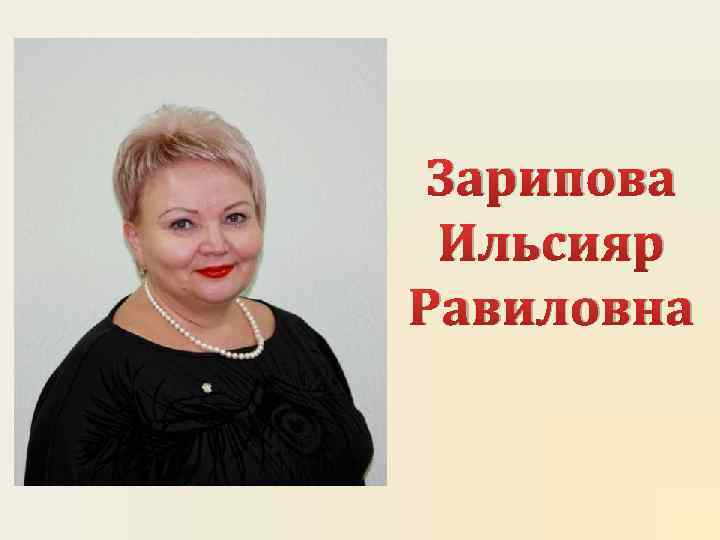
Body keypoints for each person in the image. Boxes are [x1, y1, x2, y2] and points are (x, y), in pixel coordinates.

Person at [24, 105, 374, 485]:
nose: (216, 244)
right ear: (136, 240)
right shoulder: (94, 383)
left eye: (235, 218)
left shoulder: (298, 339)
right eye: (183, 224)